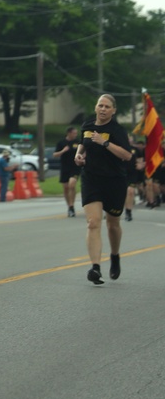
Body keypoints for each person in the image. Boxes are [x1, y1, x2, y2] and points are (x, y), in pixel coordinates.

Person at [74, 94, 132, 285]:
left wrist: (105, 143)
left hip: (114, 181)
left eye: (107, 106)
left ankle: (115, 256)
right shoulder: (88, 125)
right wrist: (78, 155)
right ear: (96, 107)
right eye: (100, 105)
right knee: (93, 222)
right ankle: (95, 268)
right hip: (91, 179)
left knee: (113, 224)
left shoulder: (117, 130)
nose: (103, 109)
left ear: (113, 110)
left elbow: (127, 155)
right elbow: (83, 143)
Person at [53, 126, 80, 217]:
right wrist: (63, 151)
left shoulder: (78, 142)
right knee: (65, 187)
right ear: (68, 133)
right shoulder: (61, 143)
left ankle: (72, 206)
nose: (75, 135)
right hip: (65, 168)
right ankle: (69, 207)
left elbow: (83, 151)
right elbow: (55, 155)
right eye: (74, 133)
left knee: (71, 184)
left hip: (75, 167)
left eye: (76, 133)